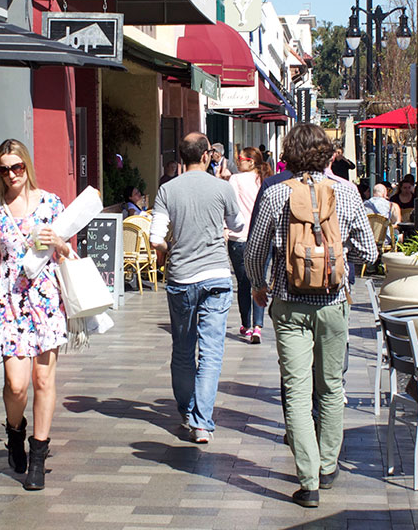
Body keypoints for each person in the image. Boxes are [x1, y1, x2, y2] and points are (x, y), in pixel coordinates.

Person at [245, 123, 377, 508]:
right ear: (328, 154)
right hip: (334, 303)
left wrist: (258, 283)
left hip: (289, 303)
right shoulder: (348, 194)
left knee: (298, 391)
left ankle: (308, 481)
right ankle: (329, 465)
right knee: (333, 387)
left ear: (289, 153)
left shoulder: (275, 193)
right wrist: (337, 260)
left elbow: (255, 252)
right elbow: (368, 252)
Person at [0, 138, 72, 491]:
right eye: (4, 169)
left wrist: (57, 241)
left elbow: (67, 251)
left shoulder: (50, 202)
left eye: (17, 167)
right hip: (10, 302)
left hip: (46, 299)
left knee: (42, 380)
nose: (12, 174)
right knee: (16, 385)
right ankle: (14, 432)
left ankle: (38, 454)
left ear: (27, 166)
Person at [153, 132, 244, 444]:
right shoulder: (221, 187)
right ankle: (202, 422)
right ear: (207, 155)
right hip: (216, 274)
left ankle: (185, 410)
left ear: (181, 158)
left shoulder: (167, 189)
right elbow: (238, 224)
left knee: (182, 348)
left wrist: (171, 245)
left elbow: (155, 238)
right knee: (211, 351)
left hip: (181, 277)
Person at [228, 146, 271, 344]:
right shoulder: (266, 180)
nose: (238, 162)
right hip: (263, 237)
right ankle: (258, 326)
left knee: (244, 283)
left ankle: (246, 324)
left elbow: (229, 206)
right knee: (259, 280)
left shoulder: (236, 180)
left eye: (240, 159)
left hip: (239, 236)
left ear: (251, 161)